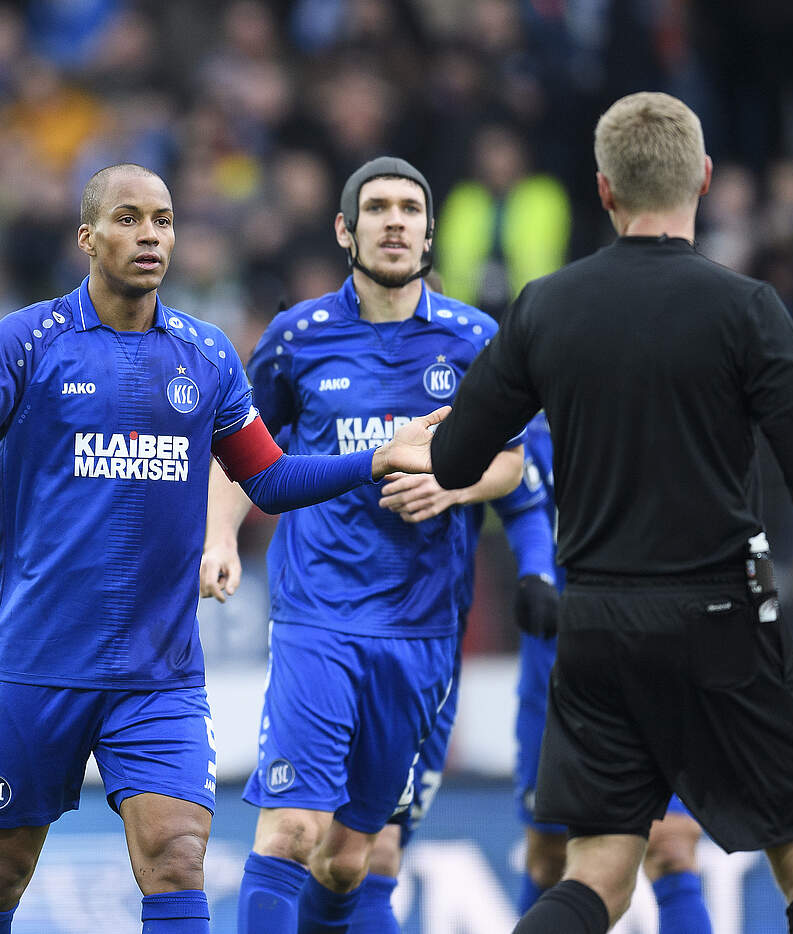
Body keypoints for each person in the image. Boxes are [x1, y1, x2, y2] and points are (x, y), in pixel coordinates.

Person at [0, 162, 447, 934]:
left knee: (178, 857)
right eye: (128, 218)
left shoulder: (205, 355)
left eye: (163, 220)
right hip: (39, 664)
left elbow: (269, 480)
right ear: (87, 237)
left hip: (159, 673)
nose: (149, 234)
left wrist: (376, 458)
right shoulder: (27, 340)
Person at [429, 92, 793, 934]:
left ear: (604, 189)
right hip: (723, 620)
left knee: (598, 877)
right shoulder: (745, 307)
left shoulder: (545, 305)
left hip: (597, 624)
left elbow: (454, 460)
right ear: (704, 178)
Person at [199, 156, 523, 934]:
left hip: (422, 626)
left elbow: (514, 462)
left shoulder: (475, 339)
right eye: (377, 208)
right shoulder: (297, 338)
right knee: (291, 830)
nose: (395, 222)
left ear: (430, 232)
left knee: (351, 859)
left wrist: (455, 486)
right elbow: (242, 451)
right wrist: (220, 536)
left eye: (410, 209)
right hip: (319, 614)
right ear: (346, 230)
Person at [508, 415, 713, 932]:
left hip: (662, 653)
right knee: (550, 858)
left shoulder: (672, 407)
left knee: (672, 844)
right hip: (558, 661)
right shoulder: (528, 419)